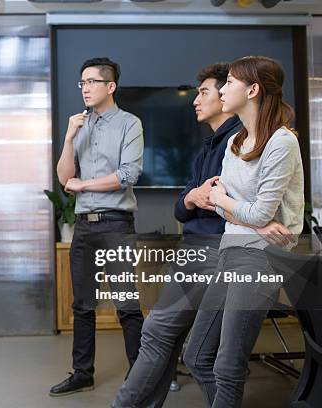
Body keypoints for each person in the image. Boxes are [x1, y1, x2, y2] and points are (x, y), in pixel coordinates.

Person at [112, 62, 242, 408]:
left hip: (212, 249)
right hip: (195, 247)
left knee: (157, 331)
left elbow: (220, 203)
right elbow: (182, 208)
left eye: (204, 92)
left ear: (227, 94)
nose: (195, 100)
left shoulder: (237, 143)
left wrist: (198, 198)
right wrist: (192, 196)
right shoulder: (208, 146)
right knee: (165, 336)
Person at [183, 55, 304, 408]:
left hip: (261, 259)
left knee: (227, 364)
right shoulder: (236, 141)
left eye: (231, 82)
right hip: (231, 251)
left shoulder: (282, 142)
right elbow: (219, 203)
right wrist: (251, 217)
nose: (224, 88)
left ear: (252, 90)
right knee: (197, 356)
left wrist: (237, 208)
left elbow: (246, 206)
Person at [50, 57, 144, 397]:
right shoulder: (80, 125)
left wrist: (83, 185)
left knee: (126, 304)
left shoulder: (130, 124)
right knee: (83, 305)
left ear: (110, 86)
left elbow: (127, 176)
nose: (85, 88)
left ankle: (139, 375)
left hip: (116, 225)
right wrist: (69, 138)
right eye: (82, 83)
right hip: (85, 228)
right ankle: (82, 373)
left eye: (92, 82)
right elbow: (64, 180)